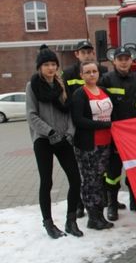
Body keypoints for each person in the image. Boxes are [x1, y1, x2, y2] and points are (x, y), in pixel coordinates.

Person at [26, 45, 83, 239]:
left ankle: (71, 220)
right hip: (43, 139)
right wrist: (49, 132)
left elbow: (68, 111)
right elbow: (32, 115)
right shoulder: (32, 86)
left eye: (53, 64)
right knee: (47, 181)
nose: (50, 68)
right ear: (40, 67)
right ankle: (49, 223)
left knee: (75, 179)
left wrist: (69, 133)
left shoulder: (61, 85)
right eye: (46, 65)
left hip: (63, 138)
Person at [62, 40, 108, 218]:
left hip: (103, 140)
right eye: (83, 52)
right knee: (87, 178)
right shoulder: (70, 78)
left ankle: (99, 207)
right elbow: (71, 109)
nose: (87, 54)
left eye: (89, 51)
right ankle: (85, 208)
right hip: (84, 137)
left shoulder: (104, 79)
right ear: (77, 54)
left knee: (98, 177)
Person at [99, 47, 136, 218]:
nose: (124, 61)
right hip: (114, 135)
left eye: (127, 58)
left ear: (132, 61)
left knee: (135, 170)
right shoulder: (106, 79)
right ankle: (112, 204)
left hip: (135, 135)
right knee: (113, 172)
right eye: (120, 59)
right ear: (114, 61)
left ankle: (135, 200)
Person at [71, 60, 114, 230]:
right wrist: (105, 125)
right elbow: (79, 120)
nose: (91, 74)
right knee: (90, 181)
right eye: (87, 72)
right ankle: (93, 217)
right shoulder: (79, 94)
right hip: (88, 145)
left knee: (100, 179)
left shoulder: (104, 91)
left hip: (106, 144)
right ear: (81, 75)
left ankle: (99, 215)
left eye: (94, 71)